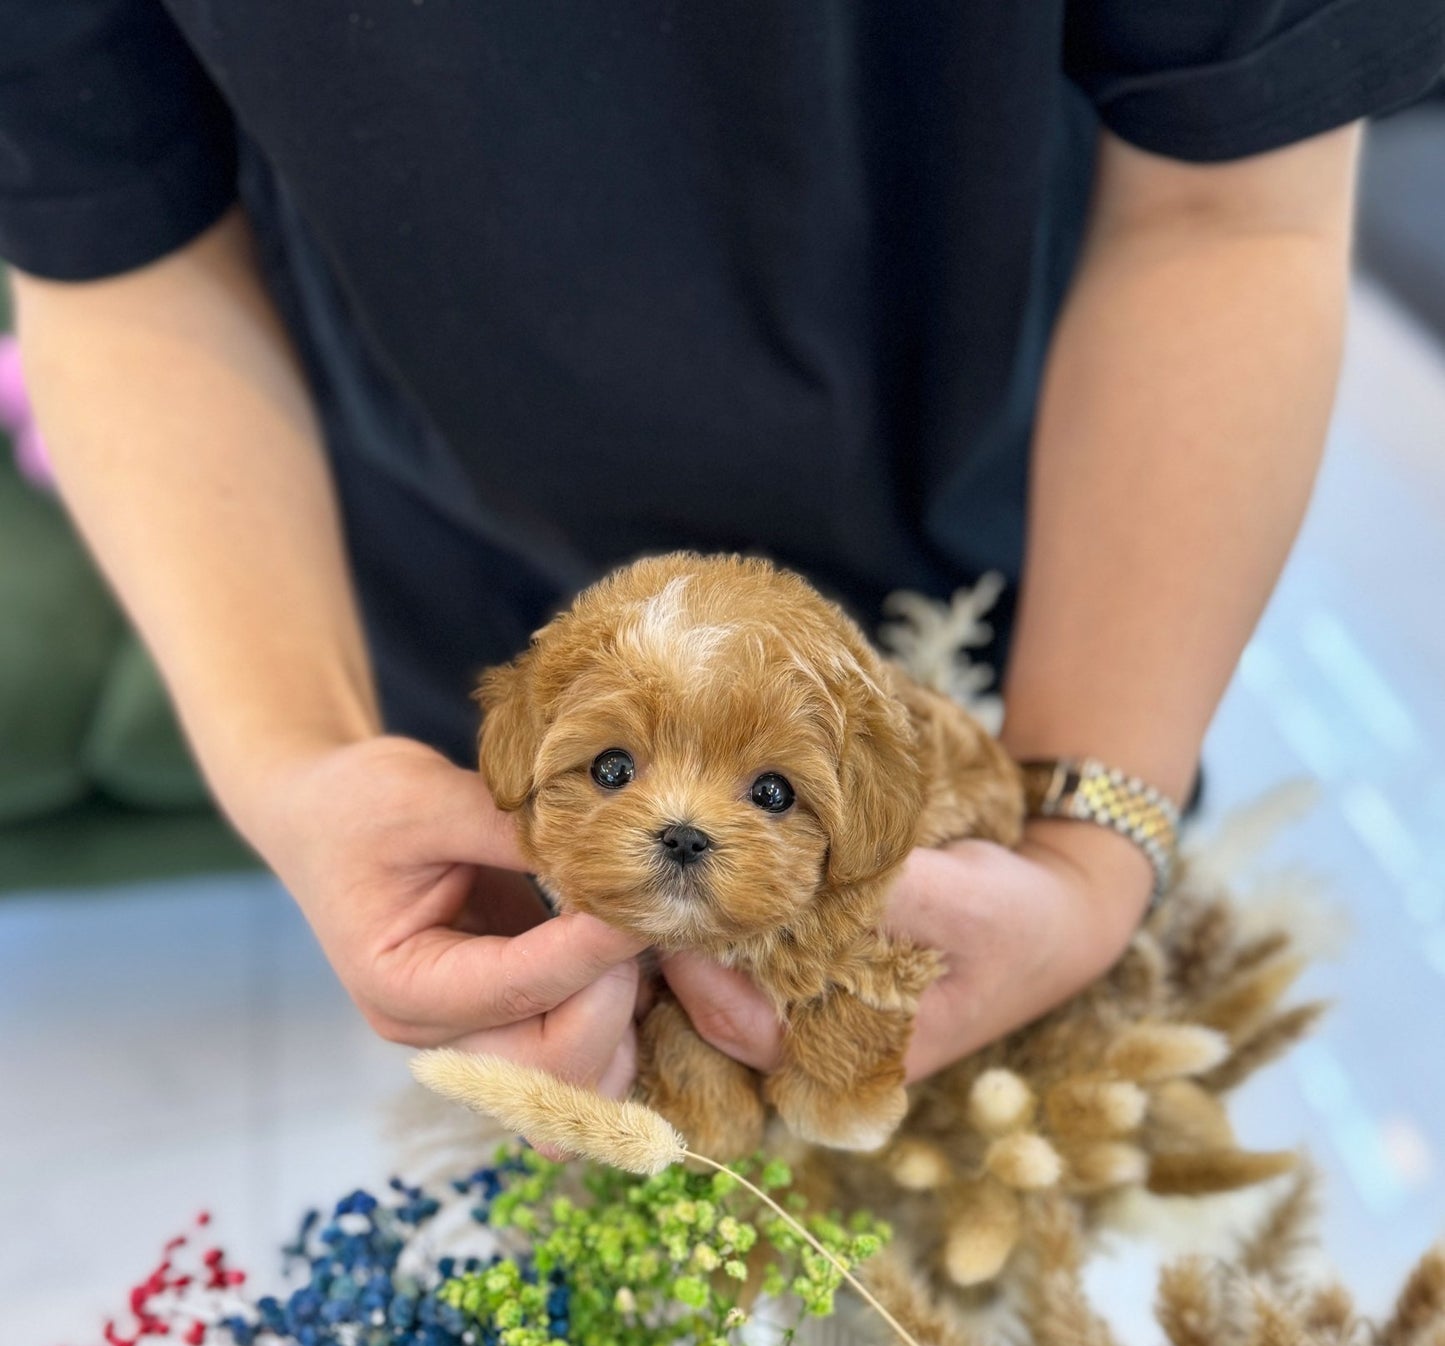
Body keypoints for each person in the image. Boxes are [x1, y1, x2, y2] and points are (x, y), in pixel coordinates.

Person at [3, 2, 1443, 1114]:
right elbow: (112, 240)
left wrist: (1087, 836)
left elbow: (1227, 184)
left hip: (1028, 595)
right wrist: (294, 762)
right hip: (442, 608)